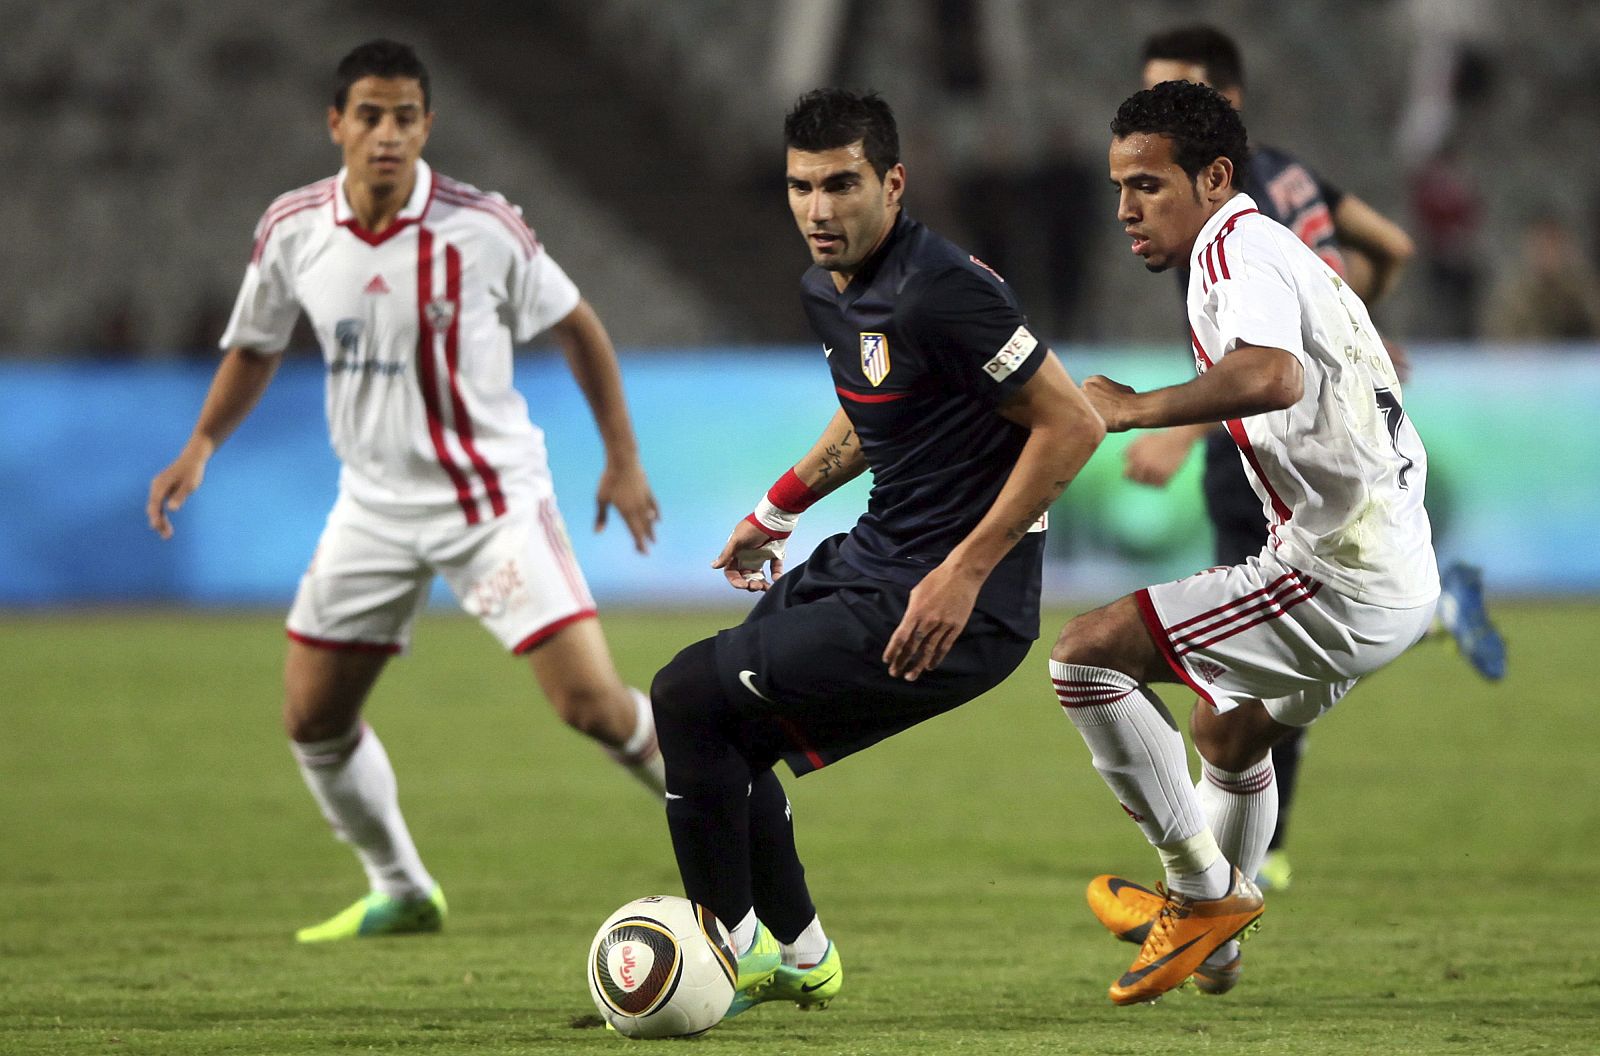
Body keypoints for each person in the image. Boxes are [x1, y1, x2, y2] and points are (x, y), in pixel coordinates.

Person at [145, 40, 664, 943]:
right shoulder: (294, 229)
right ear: (337, 124)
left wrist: (621, 458)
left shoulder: (484, 227)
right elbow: (256, 344)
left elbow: (578, 326)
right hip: (373, 509)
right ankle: (402, 888)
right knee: (312, 716)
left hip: (489, 505)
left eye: (407, 117)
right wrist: (200, 444)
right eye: (371, 116)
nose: (388, 135)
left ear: (428, 125)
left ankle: (736, 806)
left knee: (591, 705)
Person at [649, 88, 1104, 1018]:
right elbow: (870, 413)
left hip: (958, 603)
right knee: (723, 732)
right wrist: (778, 509)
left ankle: (719, 957)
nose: (819, 210)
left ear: (893, 184)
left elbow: (1073, 423)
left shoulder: (948, 288)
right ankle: (801, 956)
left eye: (842, 185)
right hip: (874, 559)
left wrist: (964, 571)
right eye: (801, 187)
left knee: (685, 695)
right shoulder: (829, 289)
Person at [1053, 79, 1439, 1005]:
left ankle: (1203, 893)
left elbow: (1267, 374)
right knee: (1226, 730)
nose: (1125, 210)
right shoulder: (1266, 248)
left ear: (1215, 176)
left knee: (1083, 659)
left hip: (1342, 572)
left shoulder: (1232, 251)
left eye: (1147, 185)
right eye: (1119, 188)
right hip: (1393, 565)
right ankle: (1215, 949)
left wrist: (1139, 410)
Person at [1122, 25, 1504, 893]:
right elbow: (1390, 248)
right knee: (1257, 671)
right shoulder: (1295, 174)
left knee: (1235, 663)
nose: (1156, 117)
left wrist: (1173, 426)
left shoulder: (1228, 204)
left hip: (1262, 430)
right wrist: (1348, 327)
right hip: (1317, 443)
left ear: (1226, 107)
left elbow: (1259, 360)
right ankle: (1438, 613)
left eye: (1177, 90)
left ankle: (1226, 859)